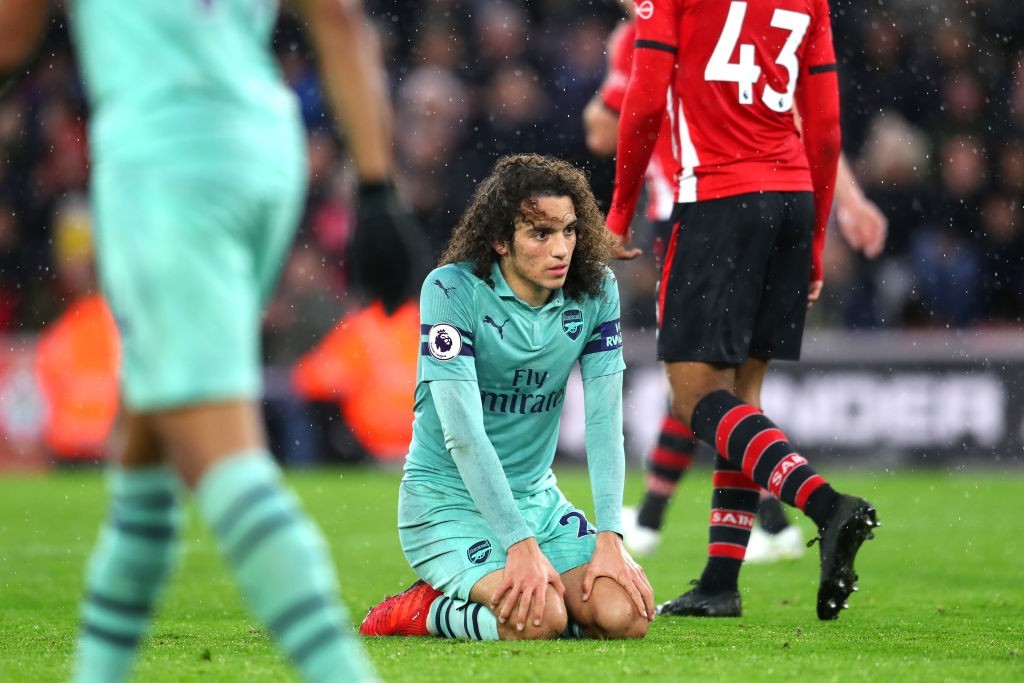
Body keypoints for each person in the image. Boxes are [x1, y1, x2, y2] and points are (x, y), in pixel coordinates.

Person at [0, 0, 429, 680]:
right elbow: (339, 18)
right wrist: (377, 187)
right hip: (262, 153)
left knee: (223, 462)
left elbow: (10, 32)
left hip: (164, 164)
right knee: (146, 459)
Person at [605, 0, 879, 621]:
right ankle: (719, 583)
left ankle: (827, 505)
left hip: (718, 200)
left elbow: (645, 104)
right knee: (742, 399)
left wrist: (618, 212)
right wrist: (814, 241)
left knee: (693, 399)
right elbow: (825, 127)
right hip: (792, 200)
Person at [358, 154, 654, 641]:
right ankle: (420, 610)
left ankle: (541, 598)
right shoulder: (452, 289)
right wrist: (519, 544)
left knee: (624, 616)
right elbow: (464, 434)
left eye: (569, 231)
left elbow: (604, 422)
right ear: (500, 239)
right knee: (538, 620)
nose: (561, 249)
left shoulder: (596, 290)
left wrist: (610, 536)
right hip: (447, 501)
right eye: (540, 234)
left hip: (537, 499)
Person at [583, 10, 806, 563]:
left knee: (698, 384)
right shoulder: (742, 18)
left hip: (695, 208)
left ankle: (799, 508)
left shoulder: (643, 29)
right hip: (772, 196)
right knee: (726, 383)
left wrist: (604, 87)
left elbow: (602, 130)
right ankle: (765, 525)